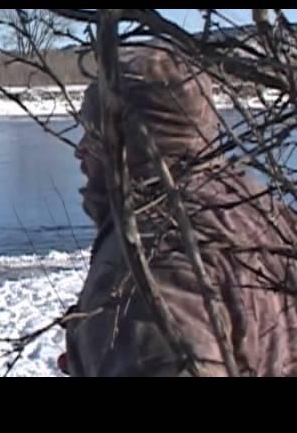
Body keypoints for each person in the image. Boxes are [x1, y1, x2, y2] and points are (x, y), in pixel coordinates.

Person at [60, 47, 297, 377]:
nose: (79, 150)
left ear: (127, 137)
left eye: (93, 131)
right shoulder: (264, 209)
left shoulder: (149, 257)